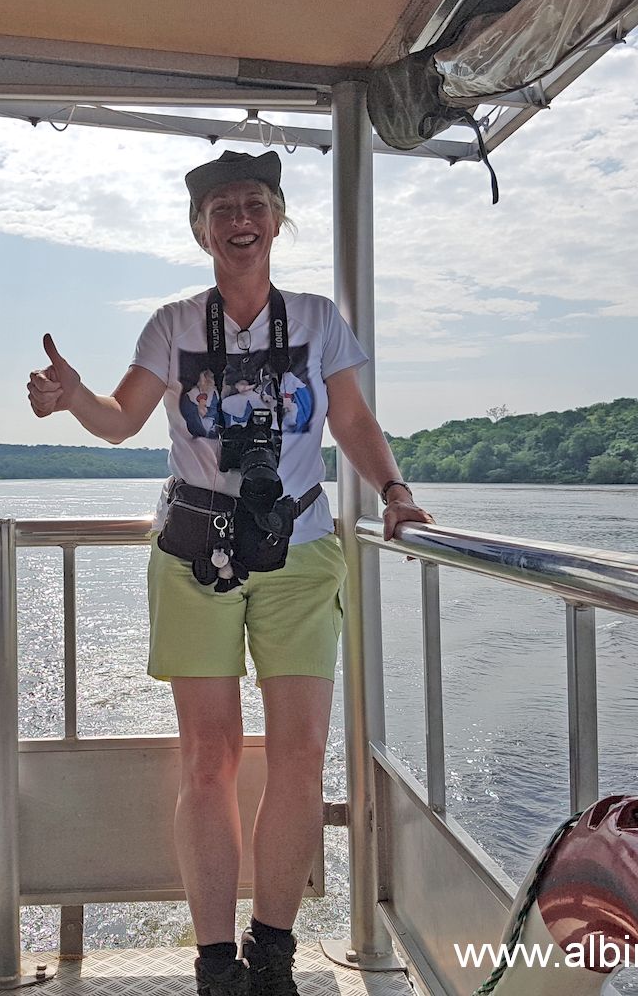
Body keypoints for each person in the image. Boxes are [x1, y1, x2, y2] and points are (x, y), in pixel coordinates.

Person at [27, 150, 432, 996]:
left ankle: (272, 954)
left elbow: (352, 420)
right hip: (195, 552)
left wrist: (394, 492)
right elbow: (122, 419)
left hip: (300, 548)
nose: (240, 222)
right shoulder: (173, 325)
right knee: (207, 758)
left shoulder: (317, 320)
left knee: (301, 753)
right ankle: (216, 964)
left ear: (277, 221)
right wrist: (74, 398)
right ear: (201, 230)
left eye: (254, 206)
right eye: (222, 210)